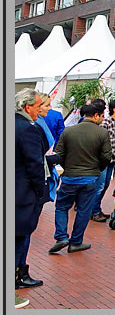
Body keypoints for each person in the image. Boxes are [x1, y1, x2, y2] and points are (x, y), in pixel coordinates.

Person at [49, 103, 113, 255]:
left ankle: (61, 237)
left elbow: (59, 154)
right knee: (84, 210)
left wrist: (66, 167)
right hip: (90, 177)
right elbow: (106, 157)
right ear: (96, 115)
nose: (103, 119)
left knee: (62, 206)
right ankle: (76, 242)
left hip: (69, 177)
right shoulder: (102, 133)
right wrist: (97, 168)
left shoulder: (68, 131)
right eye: (102, 116)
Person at [15, 90, 49, 297]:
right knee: (20, 235)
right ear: (28, 108)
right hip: (23, 193)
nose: (39, 111)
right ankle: (17, 276)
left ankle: (19, 273)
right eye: (38, 106)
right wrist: (39, 190)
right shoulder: (28, 129)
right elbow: (34, 163)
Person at [34, 93, 61, 202]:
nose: (50, 108)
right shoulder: (35, 125)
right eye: (47, 105)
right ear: (38, 107)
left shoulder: (41, 122)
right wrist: (52, 158)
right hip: (41, 171)